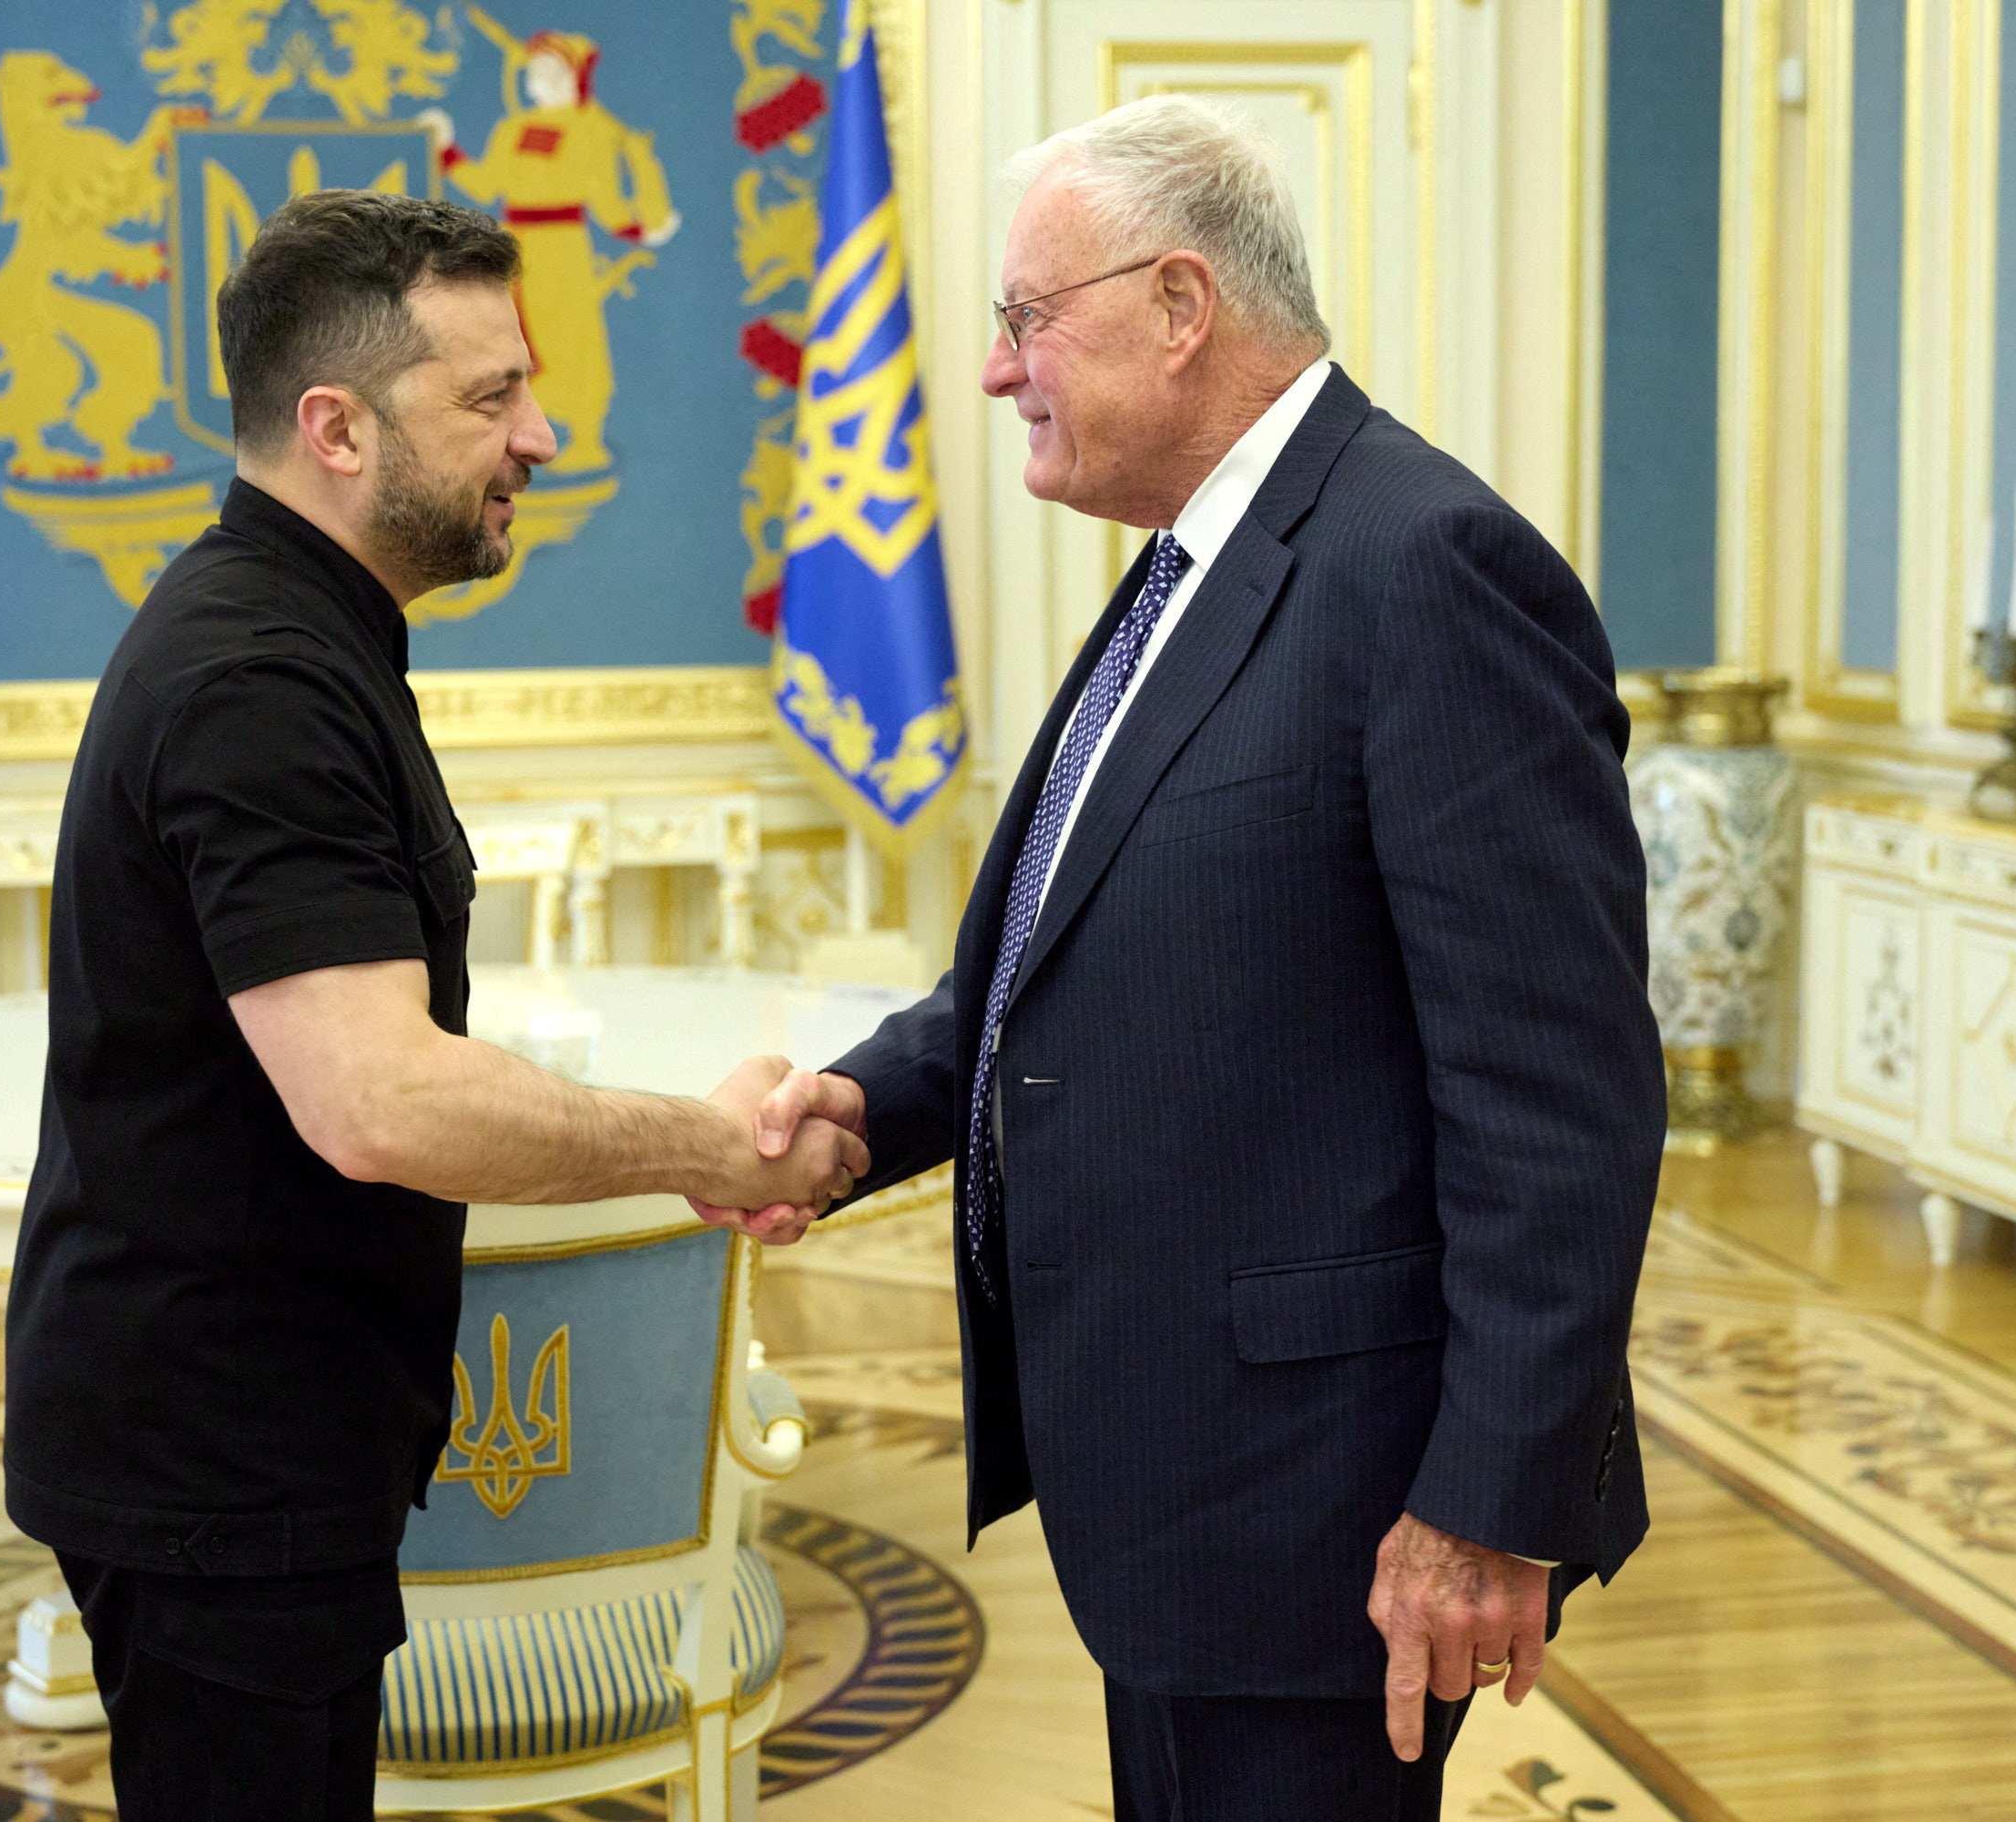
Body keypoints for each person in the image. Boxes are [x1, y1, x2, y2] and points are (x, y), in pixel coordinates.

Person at [702, 97, 1666, 1821]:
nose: (996, 370)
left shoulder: (1424, 565)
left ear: (1177, 304)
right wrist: (864, 1106)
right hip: (1182, 1493)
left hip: (1337, 1515)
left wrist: (1488, 1501)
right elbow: (1069, 957)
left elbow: (1559, 1098)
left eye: (1025, 317)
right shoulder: (1195, 567)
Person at [4, 189, 866, 1822]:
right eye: (491, 396)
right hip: (220, 1461)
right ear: (336, 428)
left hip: (246, 1443)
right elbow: (380, 1098)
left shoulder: (298, 638)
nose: (541, 434)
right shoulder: (261, 679)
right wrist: (713, 1148)